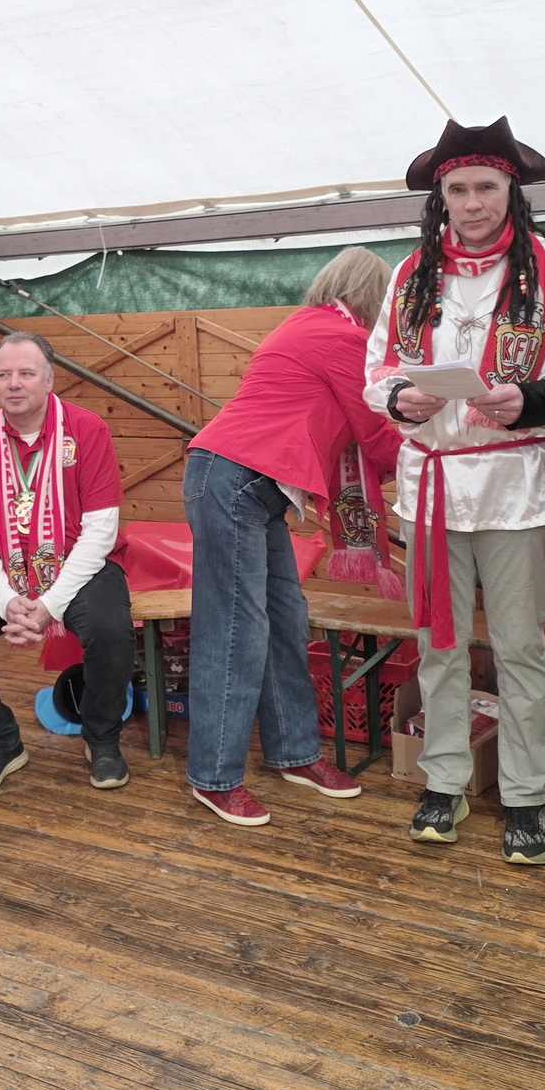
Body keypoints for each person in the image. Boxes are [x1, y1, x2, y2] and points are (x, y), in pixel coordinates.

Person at [363, 118, 545, 864]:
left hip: (515, 485)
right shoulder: (409, 276)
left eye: (486, 185)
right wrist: (400, 401)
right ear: (441, 197)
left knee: (520, 646)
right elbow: (377, 372)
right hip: (431, 486)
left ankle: (525, 794)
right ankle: (444, 780)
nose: (472, 201)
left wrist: (531, 401)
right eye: (458, 188)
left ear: (511, 189)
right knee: (438, 645)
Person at [183, 248, 402, 826]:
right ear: (372, 298)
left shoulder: (312, 325)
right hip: (236, 480)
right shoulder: (342, 339)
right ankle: (215, 776)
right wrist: (454, 443)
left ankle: (294, 753)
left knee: (285, 619)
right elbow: (379, 437)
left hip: (245, 483)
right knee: (236, 630)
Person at [0, 332, 134, 793]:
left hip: (80, 566)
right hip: (4, 569)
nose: (14, 384)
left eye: (26, 374)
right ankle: (0, 740)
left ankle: (102, 738)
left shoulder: (87, 429)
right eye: (3, 375)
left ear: (49, 380)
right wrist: (6, 599)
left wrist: (49, 604)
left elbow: (101, 532)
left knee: (111, 631)